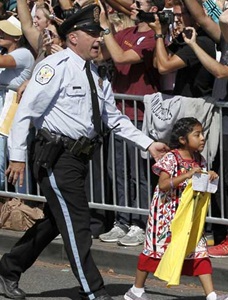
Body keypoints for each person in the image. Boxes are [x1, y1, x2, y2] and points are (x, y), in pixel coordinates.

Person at [0, 5, 168, 300]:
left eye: (99, 34)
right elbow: (25, 112)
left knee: (56, 221)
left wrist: (148, 143)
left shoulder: (95, 73)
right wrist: (17, 155)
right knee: (78, 223)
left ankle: (8, 269)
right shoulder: (55, 67)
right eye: (92, 34)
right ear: (73, 37)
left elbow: (113, 118)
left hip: (78, 158)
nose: (98, 40)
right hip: (54, 157)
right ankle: (94, 289)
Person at [124, 117, 228, 300]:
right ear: (183, 139)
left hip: (188, 216)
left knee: (198, 251)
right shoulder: (171, 158)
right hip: (165, 216)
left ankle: (212, 296)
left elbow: (199, 184)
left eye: (202, 134)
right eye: (197, 134)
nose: (202, 138)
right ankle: (136, 290)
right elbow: (164, 185)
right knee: (155, 252)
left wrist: (210, 177)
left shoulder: (200, 160)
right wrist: (188, 174)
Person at [182, 0, 228, 258]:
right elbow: (201, 16)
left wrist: (195, 48)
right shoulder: (227, 41)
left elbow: (221, 71)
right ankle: (226, 234)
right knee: (221, 180)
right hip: (223, 124)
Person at [97, 0, 165, 247]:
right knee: (119, 172)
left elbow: (120, 55)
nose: (134, 5)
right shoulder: (127, 32)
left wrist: (106, 29)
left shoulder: (154, 39)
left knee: (139, 175)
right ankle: (122, 220)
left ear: (154, 9)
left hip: (139, 116)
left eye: (140, 2)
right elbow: (103, 53)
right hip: (117, 114)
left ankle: (140, 223)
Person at [0, 15, 34, 190]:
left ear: (17, 36)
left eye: (4, 31)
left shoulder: (23, 53)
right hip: (4, 108)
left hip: (11, 110)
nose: (0, 33)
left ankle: (24, 203)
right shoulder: (7, 52)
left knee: (10, 155)